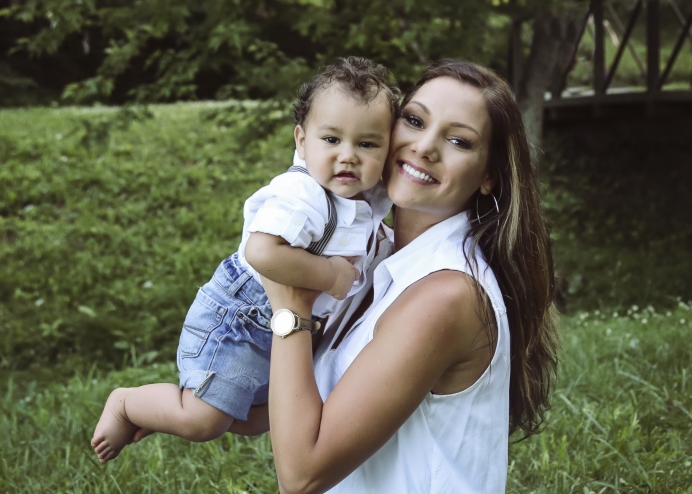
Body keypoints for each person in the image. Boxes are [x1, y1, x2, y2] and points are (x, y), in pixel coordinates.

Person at [260, 59, 560, 493]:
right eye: (415, 121)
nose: (424, 147)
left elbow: (302, 475)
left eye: (458, 140)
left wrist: (290, 309)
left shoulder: (447, 295)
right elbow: (293, 405)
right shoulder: (377, 256)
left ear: (488, 177)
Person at [90, 57, 399, 464]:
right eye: (331, 139)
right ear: (301, 140)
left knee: (263, 420)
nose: (348, 156)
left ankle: (180, 408)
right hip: (241, 316)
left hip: (286, 326)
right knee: (203, 421)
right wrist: (330, 274)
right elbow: (262, 251)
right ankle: (128, 404)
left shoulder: (365, 196)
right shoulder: (303, 195)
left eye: (367, 144)